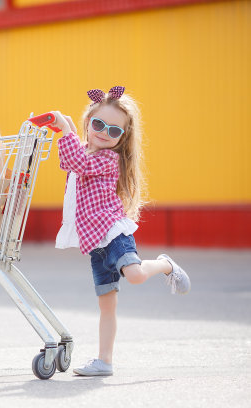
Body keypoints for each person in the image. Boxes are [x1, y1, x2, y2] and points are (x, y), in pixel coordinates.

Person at [49, 86, 190, 377]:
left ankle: (166, 264)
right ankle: (105, 361)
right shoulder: (85, 152)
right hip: (96, 243)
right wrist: (69, 131)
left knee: (136, 275)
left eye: (114, 130)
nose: (103, 133)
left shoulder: (107, 160)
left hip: (114, 234)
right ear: (88, 122)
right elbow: (72, 159)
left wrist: (65, 129)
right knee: (107, 306)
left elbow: (78, 161)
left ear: (122, 138)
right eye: (98, 124)